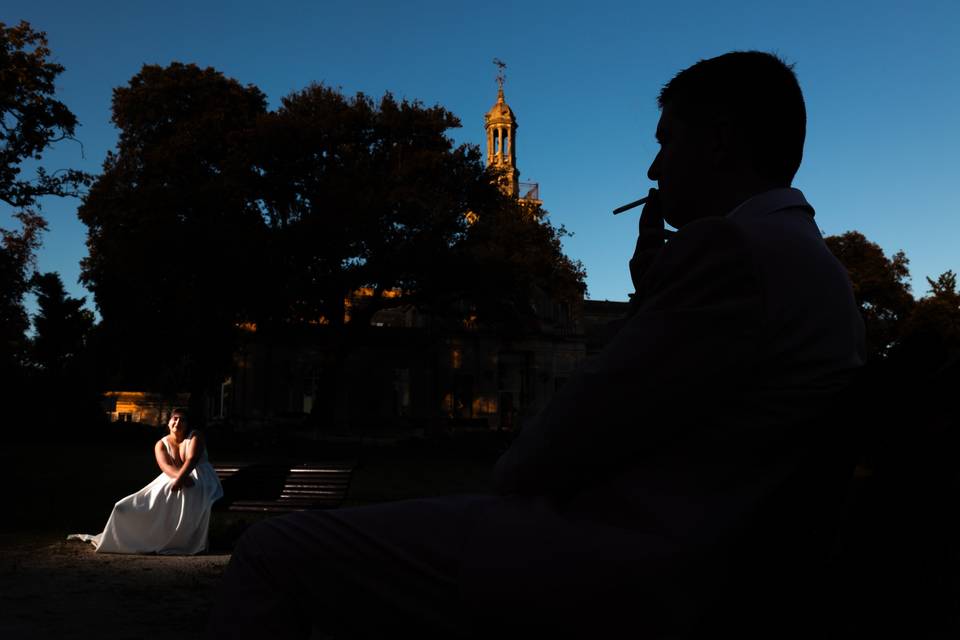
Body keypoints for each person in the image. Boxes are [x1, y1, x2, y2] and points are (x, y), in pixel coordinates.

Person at [209, 51, 865, 638]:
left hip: (632, 561)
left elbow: (561, 442)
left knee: (276, 551)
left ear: (719, 140)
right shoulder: (816, 266)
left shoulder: (726, 250)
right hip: (718, 555)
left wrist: (648, 302)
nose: (654, 166)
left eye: (667, 142)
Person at [68, 408, 223, 554]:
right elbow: (166, 466)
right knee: (138, 502)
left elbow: (192, 460)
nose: (177, 423)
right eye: (174, 419)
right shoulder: (161, 444)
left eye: (182, 420)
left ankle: (181, 539)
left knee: (185, 492)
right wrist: (179, 479)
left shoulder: (195, 436)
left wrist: (180, 480)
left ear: (188, 424)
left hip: (200, 477)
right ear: (168, 422)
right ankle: (133, 532)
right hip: (174, 477)